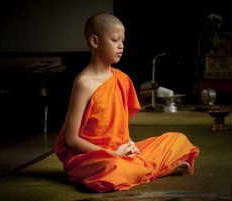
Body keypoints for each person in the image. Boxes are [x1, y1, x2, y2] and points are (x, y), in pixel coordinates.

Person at [55, 12, 200, 192]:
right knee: (113, 169)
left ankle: (139, 167)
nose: (121, 46)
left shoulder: (121, 79)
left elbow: (118, 127)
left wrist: (130, 145)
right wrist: (112, 153)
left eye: (123, 41)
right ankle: (157, 170)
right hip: (93, 158)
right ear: (94, 41)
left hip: (121, 152)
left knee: (178, 140)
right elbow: (70, 139)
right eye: (115, 40)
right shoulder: (84, 82)